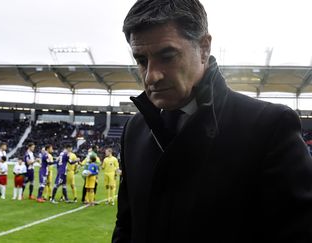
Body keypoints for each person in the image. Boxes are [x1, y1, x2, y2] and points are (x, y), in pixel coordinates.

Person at [113, 0, 312, 242]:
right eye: (142, 60)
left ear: (204, 48)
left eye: (167, 56)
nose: (151, 75)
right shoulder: (134, 130)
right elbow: (126, 225)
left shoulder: (269, 127)